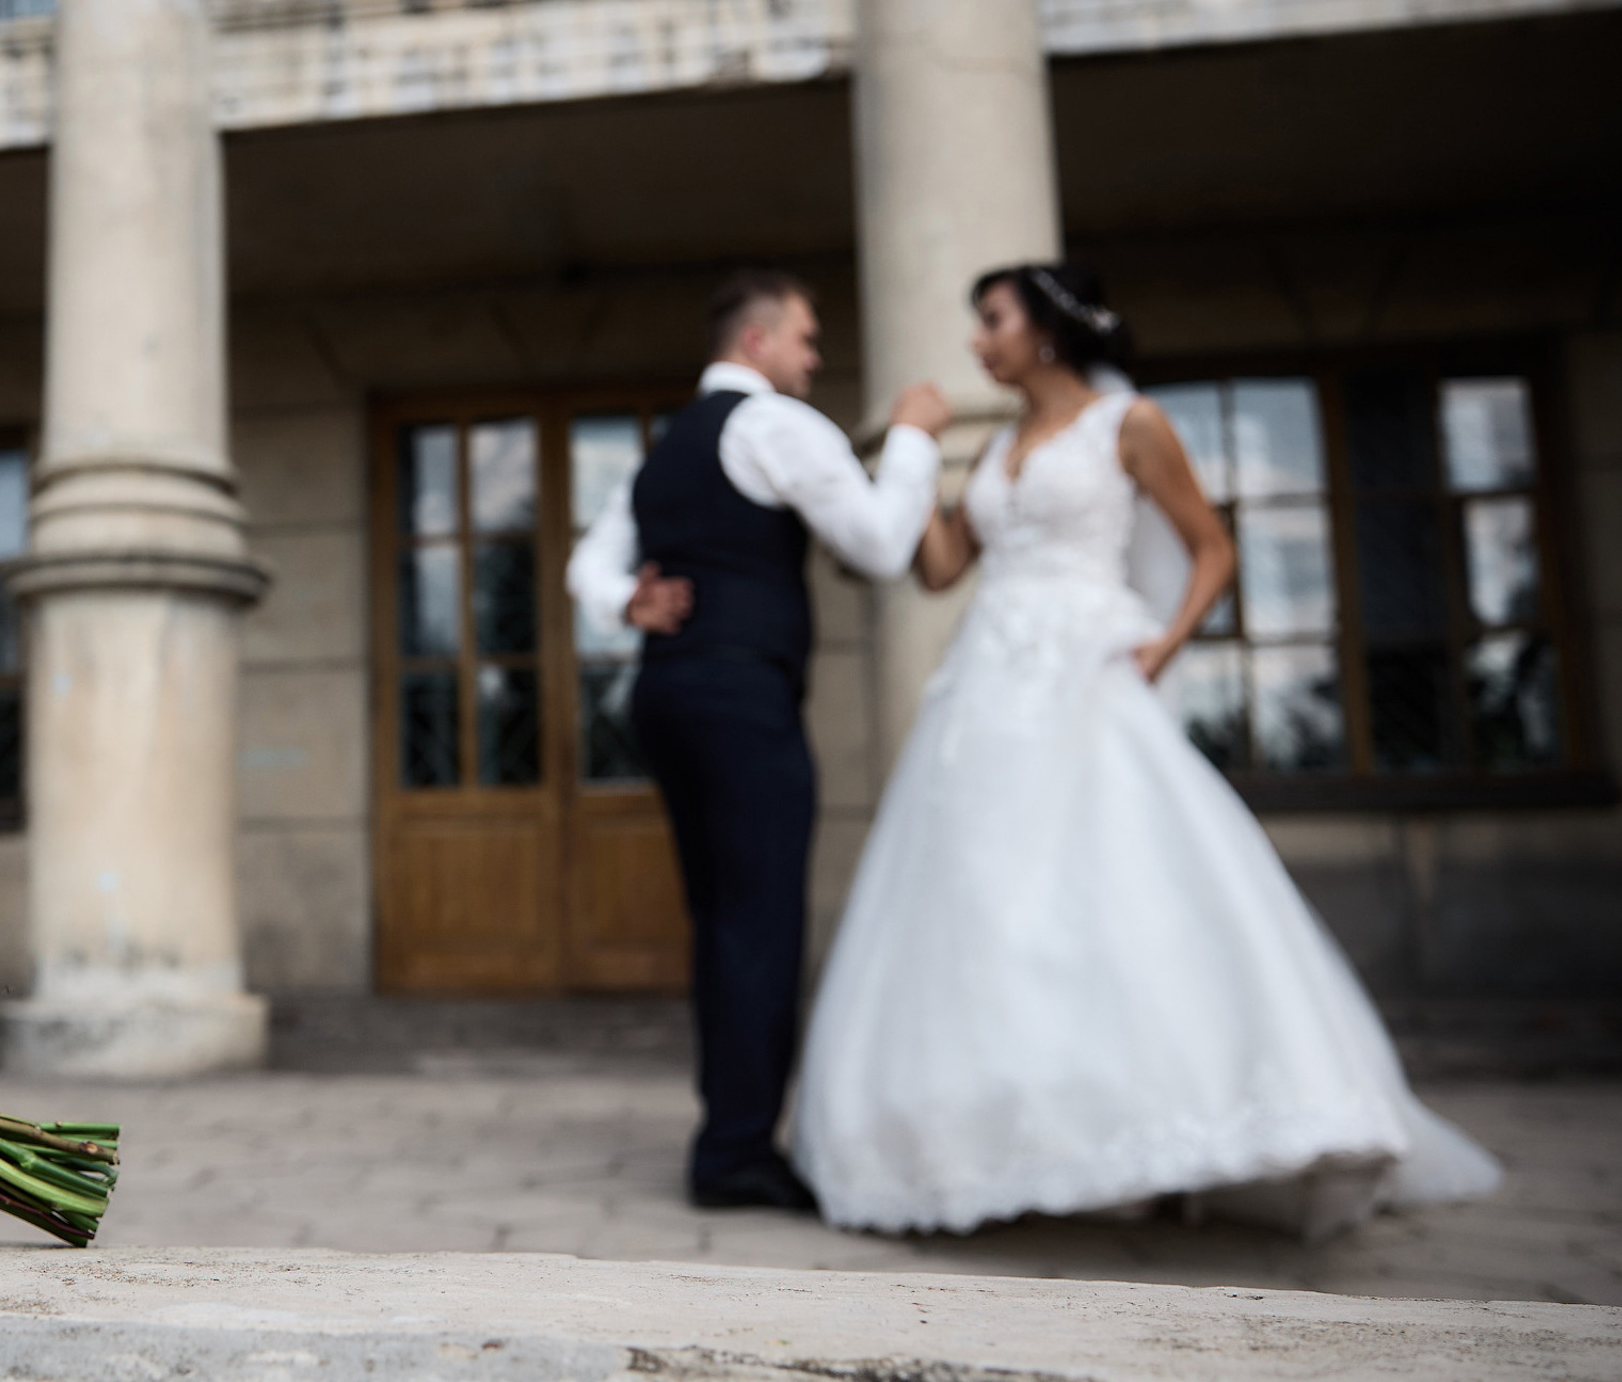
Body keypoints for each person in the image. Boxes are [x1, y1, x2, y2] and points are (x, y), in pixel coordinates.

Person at [789, 262, 1503, 1237]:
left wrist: (1160, 646)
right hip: (986, 690)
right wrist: (907, 454)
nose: (975, 340)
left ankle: (1171, 1136)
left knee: (1114, 889)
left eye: (989, 320)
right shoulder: (994, 446)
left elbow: (1210, 546)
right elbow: (945, 565)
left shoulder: (1126, 427)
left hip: (1086, 677)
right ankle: (1011, 1142)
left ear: (1045, 329)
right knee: (988, 904)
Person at [567, 268, 951, 1210]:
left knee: (722, 922)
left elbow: (587, 563)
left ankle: (730, 1134)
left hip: (664, 697)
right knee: (760, 919)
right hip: (742, 701)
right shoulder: (777, 424)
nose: (815, 359)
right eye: (807, 340)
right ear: (756, 343)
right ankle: (736, 1153)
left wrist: (628, 603)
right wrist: (910, 438)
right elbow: (877, 543)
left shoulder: (661, 455)